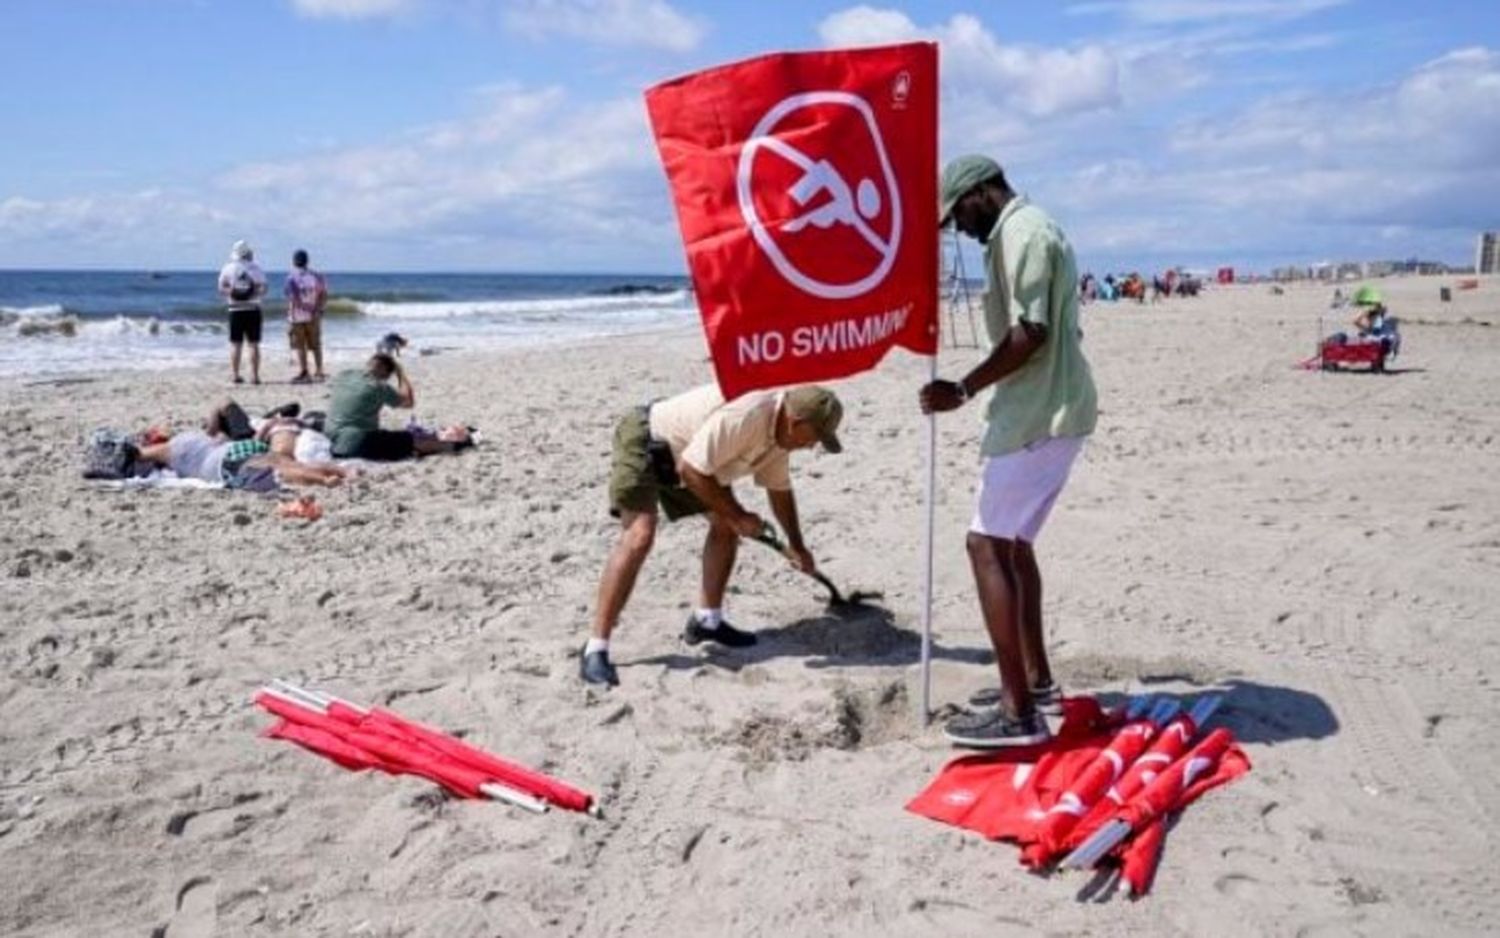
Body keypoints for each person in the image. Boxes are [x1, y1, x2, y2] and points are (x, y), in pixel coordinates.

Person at [920, 155, 1098, 749]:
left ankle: (1018, 713)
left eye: (958, 216)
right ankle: (1036, 682)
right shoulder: (1019, 231)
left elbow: (1031, 331)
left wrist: (963, 388)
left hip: (1039, 413)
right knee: (1014, 545)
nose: (959, 231)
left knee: (985, 545)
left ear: (982, 191)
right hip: (1051, 409)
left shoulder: (1023, 231)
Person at [580, 384, 845, 687]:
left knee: (724, 526)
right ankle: (595, 648)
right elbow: (691, 470)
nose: (811, 447)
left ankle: (707, 621)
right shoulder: (746, 416)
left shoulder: (782, 437)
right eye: (813, 438)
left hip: (694, 460)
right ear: (795, 422)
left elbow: (780, 492)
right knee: (640, 534)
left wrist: (798, 546)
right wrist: (738, 516)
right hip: (649, 439)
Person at [325, 353, 471, 461]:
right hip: (353, 444)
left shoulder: (344, 374)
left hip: (330, 434)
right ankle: (451, 446)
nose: (387, 379)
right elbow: (409, 402)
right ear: (384, 370)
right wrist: (401, 374)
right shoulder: (378, 386)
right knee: (406, 439)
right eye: (388, 375)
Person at [217, 240, 268, 385]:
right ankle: (255, 376)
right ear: (248, 253)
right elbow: (264, 289)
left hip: (235, 309)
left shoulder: (228, 268)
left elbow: (221, 288)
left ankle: (235, 375)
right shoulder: (255, 268)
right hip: (253, 308)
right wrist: (252, 293)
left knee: (236, 344)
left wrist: (232, 292)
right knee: (253, 344)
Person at [283, 249, 328, 384]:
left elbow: (290, 298)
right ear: (307, 261)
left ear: (294, 262)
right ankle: (319, 371)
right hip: (313, 315)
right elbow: (324, 295)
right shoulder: (317, 276)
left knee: (300, 345)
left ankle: (304, 371)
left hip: (296, 316)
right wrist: (318, 310)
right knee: (316, 344)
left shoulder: (290, 277)